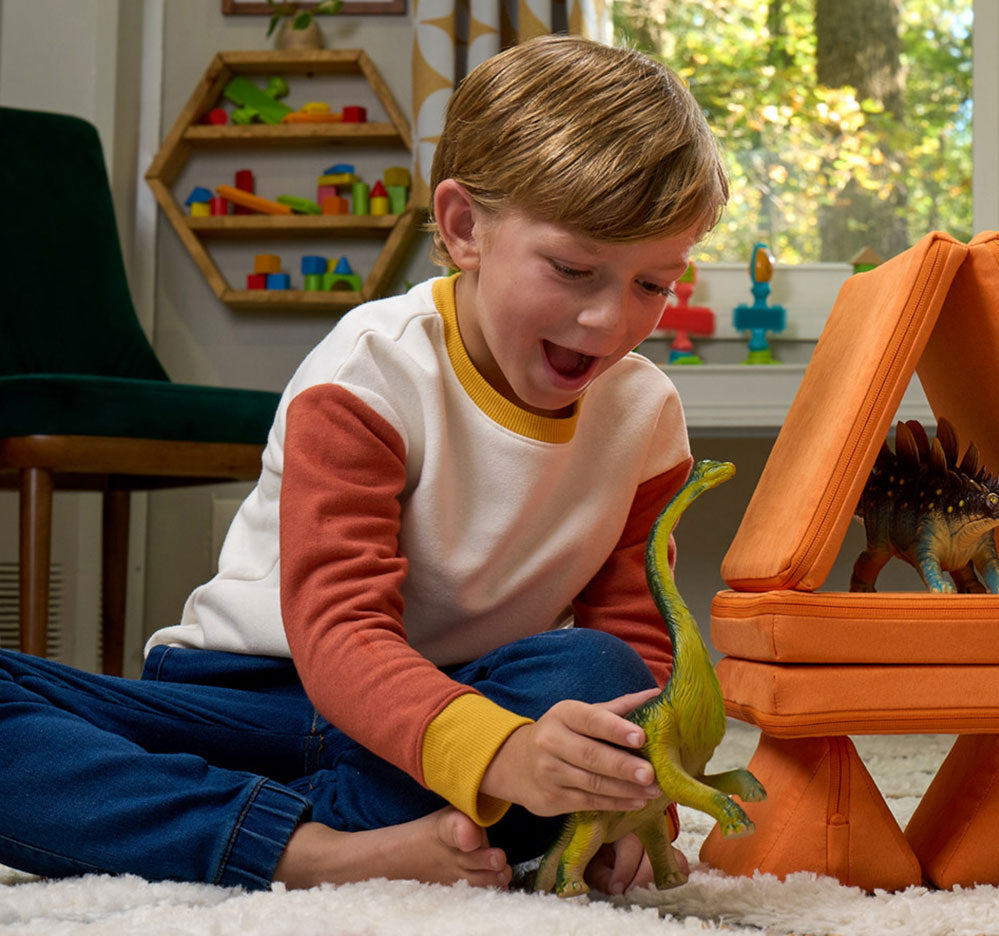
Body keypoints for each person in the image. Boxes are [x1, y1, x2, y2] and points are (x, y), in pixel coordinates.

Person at [0, 34, 727, 893]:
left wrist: (634, 804)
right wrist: (500, 755)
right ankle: (317, 850)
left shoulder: (644, 415)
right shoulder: (369, 370)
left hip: (459, 709)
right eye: (573, 269)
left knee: (600, 679)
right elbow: (339, 631)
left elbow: (636, 642)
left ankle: (247, 822)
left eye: (653, 285)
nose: (610, 321)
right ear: (464, 229)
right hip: (251, 697)